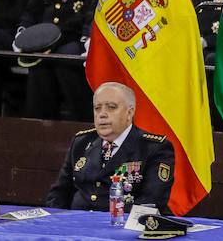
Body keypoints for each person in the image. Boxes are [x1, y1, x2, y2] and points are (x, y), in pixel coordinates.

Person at [45, 82, 175, 211]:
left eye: (111, 107)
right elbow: (59, 193)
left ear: (129, 113)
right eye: (97, 108)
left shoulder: (154, 147)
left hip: (122, 221)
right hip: (76, 221)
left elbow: (151, 201)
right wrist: (55, 220)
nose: (102, 114)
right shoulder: (81, 142)